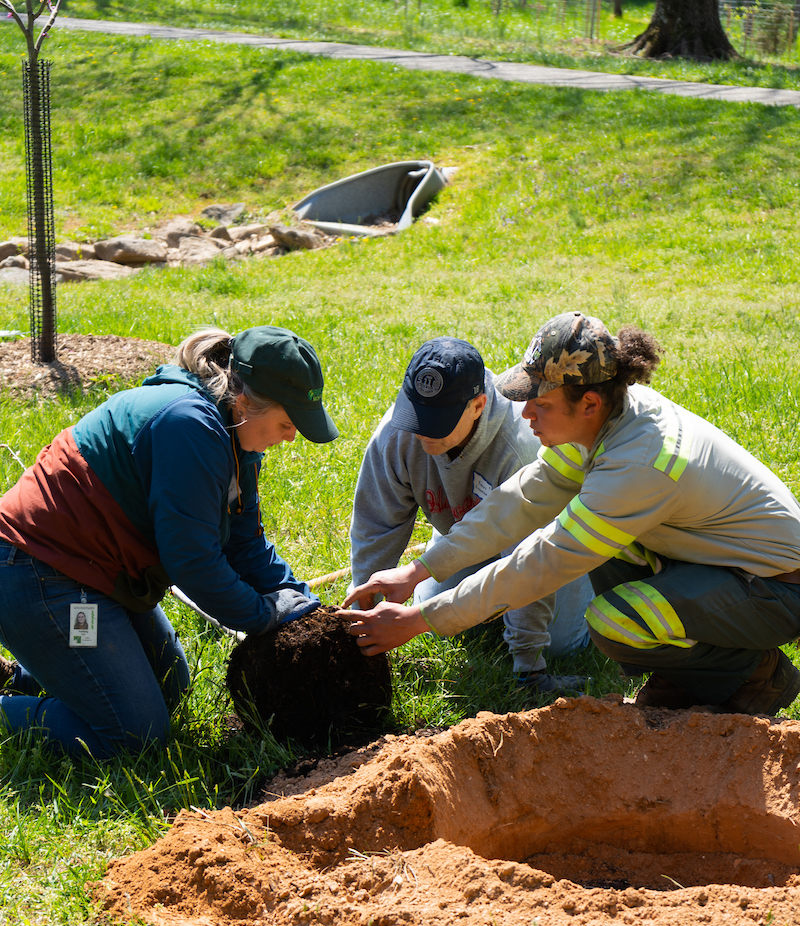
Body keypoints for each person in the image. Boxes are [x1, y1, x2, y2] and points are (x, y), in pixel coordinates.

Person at [342, 311, 800, 717]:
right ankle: (691, 674)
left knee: (615, 621)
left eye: (539, 404)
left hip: (774, 587)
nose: (525, 416)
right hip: (717, 563)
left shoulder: (639, 464)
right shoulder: (603, 423)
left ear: (589, 403)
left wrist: (420, 619)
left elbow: (542, 562)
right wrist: (418, 570)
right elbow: (517, 502)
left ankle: (756, 674)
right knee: (612, 563)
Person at [0, 325, 338, 759]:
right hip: (42, 575)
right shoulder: (188, 426)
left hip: (99, 576)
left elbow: (245, 544)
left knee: (168, 685)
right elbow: (193, 563)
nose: (291, 436)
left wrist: (303, 604)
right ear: (245, 402)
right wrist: (264, 615)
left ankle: (30, 675)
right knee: (134, 734)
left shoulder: (236, 437)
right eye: (287, 423)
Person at [349, 336, 593, 691]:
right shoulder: (399, 433)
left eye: (438, 420)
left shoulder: (521, 445)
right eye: (416, 414)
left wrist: (528, 666)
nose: (422, 431)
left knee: (557, 644)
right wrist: (365, 606)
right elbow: (376, 525)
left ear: (478, 405)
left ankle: (597, 581)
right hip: (463, 536)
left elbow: (530, 562)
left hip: (550, 544)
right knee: (431, 607)